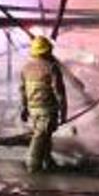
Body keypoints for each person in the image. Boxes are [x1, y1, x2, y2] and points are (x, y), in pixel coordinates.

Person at [19, 35, 68, 173]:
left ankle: (48, 162)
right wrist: (64, 113)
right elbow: (60, 93)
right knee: (40, 137)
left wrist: (24, 109)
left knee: (44, 135)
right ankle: (32, 166)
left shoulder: (26, 68)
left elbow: (22, 90)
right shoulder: (51, 68)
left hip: (32, 111)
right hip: (47, 110)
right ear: (47, 51)